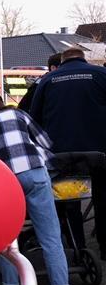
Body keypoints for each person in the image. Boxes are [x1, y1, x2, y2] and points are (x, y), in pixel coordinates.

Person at [0, 92, 72, 285]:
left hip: (4, 181)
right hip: (34, 173)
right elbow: (45, 142)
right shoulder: (19, 115)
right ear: (1, 103)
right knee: (51, 237)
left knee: (7, 238)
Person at [30, 47, 106, 260]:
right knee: (102, 197)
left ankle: (78, 248)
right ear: (83, 58)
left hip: (61, 154)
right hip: (100, 151)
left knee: (69, 199)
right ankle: (104, 247)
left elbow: (33, 118)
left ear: (62, 62)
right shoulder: (101, 74)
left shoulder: (48, 80)